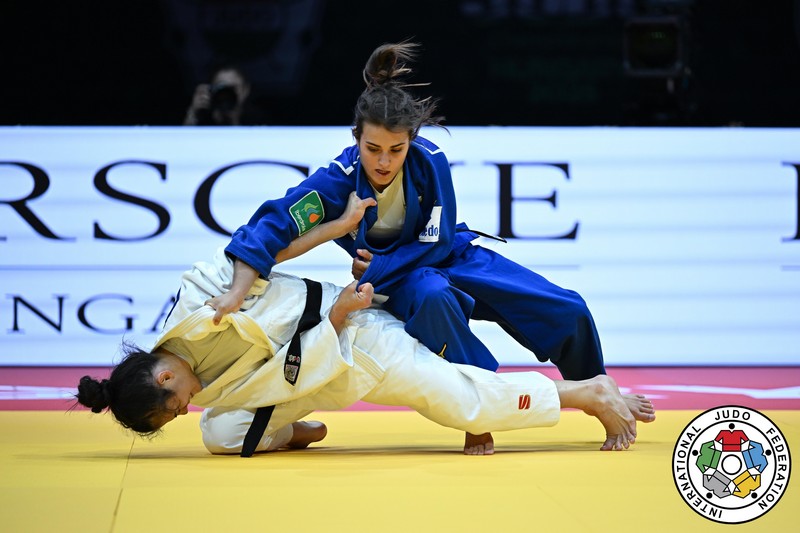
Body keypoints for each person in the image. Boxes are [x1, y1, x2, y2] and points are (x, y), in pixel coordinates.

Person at [207, 42, 608, 454]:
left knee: (567, 308)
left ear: (411, 141)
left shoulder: (430, 160)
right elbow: (271, 225)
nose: (384, 161)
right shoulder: (338, 180)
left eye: (396, 150)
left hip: (453, 256)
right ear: (356, 138)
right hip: (406, 282)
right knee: (434, 298)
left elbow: (439, 240)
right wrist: (237, 291)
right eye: (373, 149)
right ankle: (480, 414)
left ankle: (602, 392)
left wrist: (377, 267)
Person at [76, 243, 655, 456]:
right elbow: (277, 385)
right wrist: (292, 425)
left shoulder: (201, 296)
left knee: (465, 403)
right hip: (325, 372)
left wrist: (338, 249)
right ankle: (293, 433)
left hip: (360, 338)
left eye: (172, 407)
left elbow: (260, 249)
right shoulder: (208, 395)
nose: (184, 411)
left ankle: (588, 392)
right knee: (221, 435)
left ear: (162, 376)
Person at [183, 66, 255, 126]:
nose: (226, 93)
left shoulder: (256, 122)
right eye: (221, 87)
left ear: (245, 90)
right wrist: (193, 114)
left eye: (232, 88)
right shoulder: (203, 121)